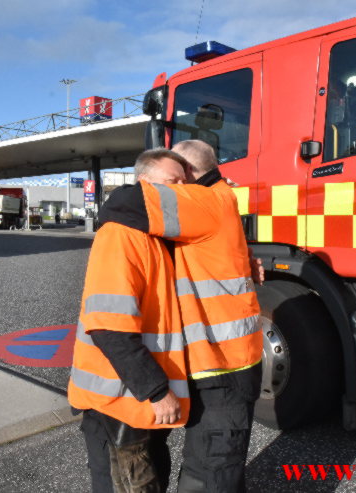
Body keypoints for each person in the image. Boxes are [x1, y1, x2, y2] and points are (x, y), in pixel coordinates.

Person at [101, 141, 262, 493]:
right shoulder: (221, 198)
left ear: (189, 177)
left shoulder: (203, 201)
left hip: (223, 364)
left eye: (175, 179)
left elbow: (121, 202)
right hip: (227, 360)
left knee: (212, 470)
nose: (170, 190)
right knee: (216, 463)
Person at [68, 149, 193, 492]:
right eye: (174, 181)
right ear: (144, 183)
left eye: (186, 181)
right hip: (117, 403)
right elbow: (109, 327)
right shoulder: (122, 235)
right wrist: (156, 391)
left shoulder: (158, 236)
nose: (183, 189)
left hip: (136, 404)